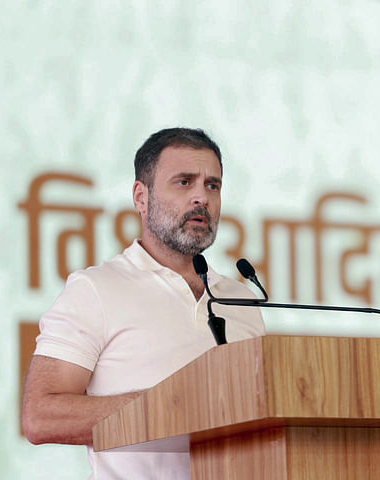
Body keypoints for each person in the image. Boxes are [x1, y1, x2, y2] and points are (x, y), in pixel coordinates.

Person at [21, 128, 265, 479]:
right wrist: (175, 406)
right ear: (141, 197)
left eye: (212, 185)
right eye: (184, 182)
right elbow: (41, 415)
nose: (202, 198)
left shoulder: (241, 300)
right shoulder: (96, 289)